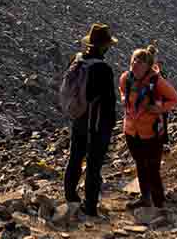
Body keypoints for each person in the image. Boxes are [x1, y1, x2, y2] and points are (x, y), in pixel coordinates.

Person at [61, 22, 119, 217]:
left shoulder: (76, 60)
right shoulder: (103, 69)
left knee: (75, 157)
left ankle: (70, 196)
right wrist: (110, 124)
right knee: (94, 164)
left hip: (78, 118)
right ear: (104, 46)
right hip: (97, 123)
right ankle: (91, 206)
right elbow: (109, 101)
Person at [119, 44, 177, 212]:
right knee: (140, 163)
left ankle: (159, 203)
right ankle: (145, 198)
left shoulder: (157, 81)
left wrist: (159, 108)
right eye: (133, 61)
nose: (135, 64)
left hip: (152, 132)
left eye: (140, 62)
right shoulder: (126, 78)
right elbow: (122, 91)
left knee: (152, 168)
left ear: (148, 66)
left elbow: (174, 99)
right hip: (132, 131)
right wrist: (125, 98)